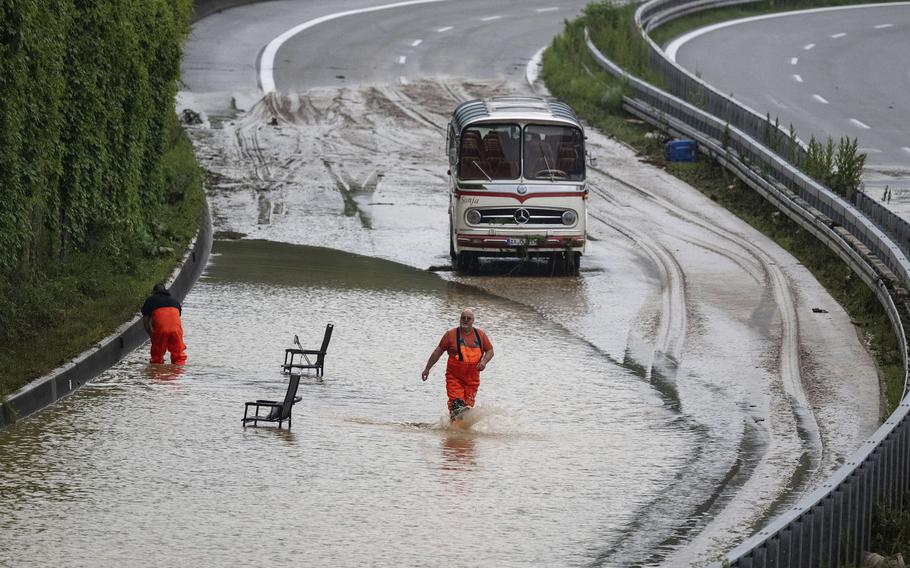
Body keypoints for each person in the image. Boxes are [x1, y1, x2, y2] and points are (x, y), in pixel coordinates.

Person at [422, 308, 494, 419]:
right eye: (463, 318)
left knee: (467, 410)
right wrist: (427, 369)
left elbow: (490, 351)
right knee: (457, 405)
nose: (465, 320)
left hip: (472, 381)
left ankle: (457, 430)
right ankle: (455, 433)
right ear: (460, 319)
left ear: (473, 320)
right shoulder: (450, 335)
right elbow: (438, 352)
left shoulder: (480, 335)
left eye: (468, 318)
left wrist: (484, 362)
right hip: (454, 378)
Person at [140, 283, 187, 365]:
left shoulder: (151, 300)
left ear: (154, 292)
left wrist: (151, 334)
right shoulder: (174, 301)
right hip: (176, 330)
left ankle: (157, 373)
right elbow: (176, 317)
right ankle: (179, 374)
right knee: (179, 356)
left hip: (161, 329)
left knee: (157, 357)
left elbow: (145, 320)